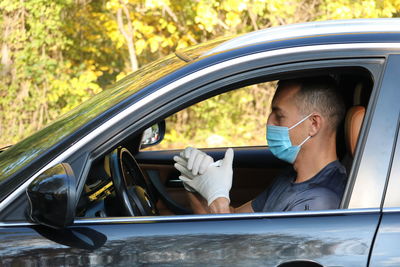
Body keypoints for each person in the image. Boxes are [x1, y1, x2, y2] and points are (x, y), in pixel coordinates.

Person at [174, 76, 347, 214]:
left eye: (279, 116)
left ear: (314, 124)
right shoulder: (289, 178)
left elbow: (231, 251)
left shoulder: (320, 201)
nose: (269, 124)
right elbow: (231, 218)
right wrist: (195, 186)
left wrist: (219, 199)